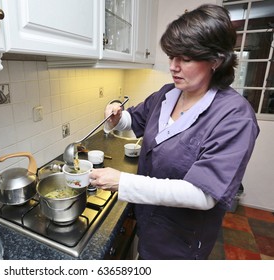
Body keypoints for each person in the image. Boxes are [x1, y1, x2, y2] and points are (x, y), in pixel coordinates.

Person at [89, 4, 259, 260]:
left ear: (215, 60)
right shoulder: (167, 94)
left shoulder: (235, 116)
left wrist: (123, 181)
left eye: (185, 59)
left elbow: (204, 194)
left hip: (181, 243)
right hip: (149, 224)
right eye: (171, 56)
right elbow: (133, 120)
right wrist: (115, 115)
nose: (173, 66)